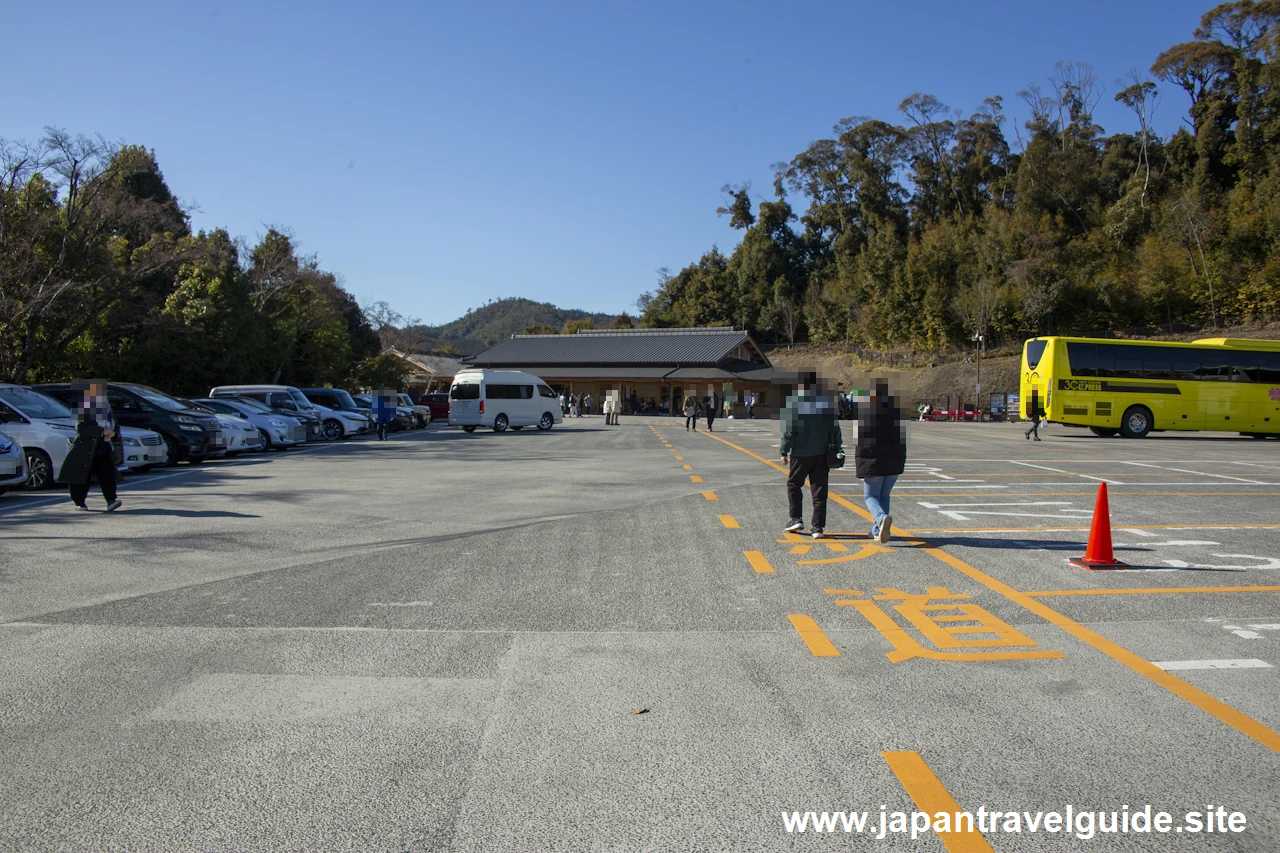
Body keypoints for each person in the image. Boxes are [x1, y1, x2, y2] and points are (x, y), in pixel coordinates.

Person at [780, 373, 842, 539]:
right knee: (819, 489)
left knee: (794, 484)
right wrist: (838, 448)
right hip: (823, 453)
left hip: (801, 453)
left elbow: (790, 430)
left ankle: (796, 518)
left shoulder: (796, 403)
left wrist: (783, 451)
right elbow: (836, 429)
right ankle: (817, 527)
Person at [855, 380, 907, 543]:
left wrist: (860, 464)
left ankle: (880, 518)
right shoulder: (898, 413)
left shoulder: (867, 414)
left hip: (874, 461)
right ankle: (877, 531)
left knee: (870, 496)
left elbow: (863, 443)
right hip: (894, 461)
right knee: (884, 496)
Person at [60, 380, 122, 512]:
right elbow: (81, 429)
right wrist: (101, 431)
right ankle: (79, 502)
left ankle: (111, 500)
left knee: (107, 475)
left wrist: (114, 435)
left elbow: (115, 427)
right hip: (85, 448)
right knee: (80, 477)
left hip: (103, 449)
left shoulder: (108, 410)